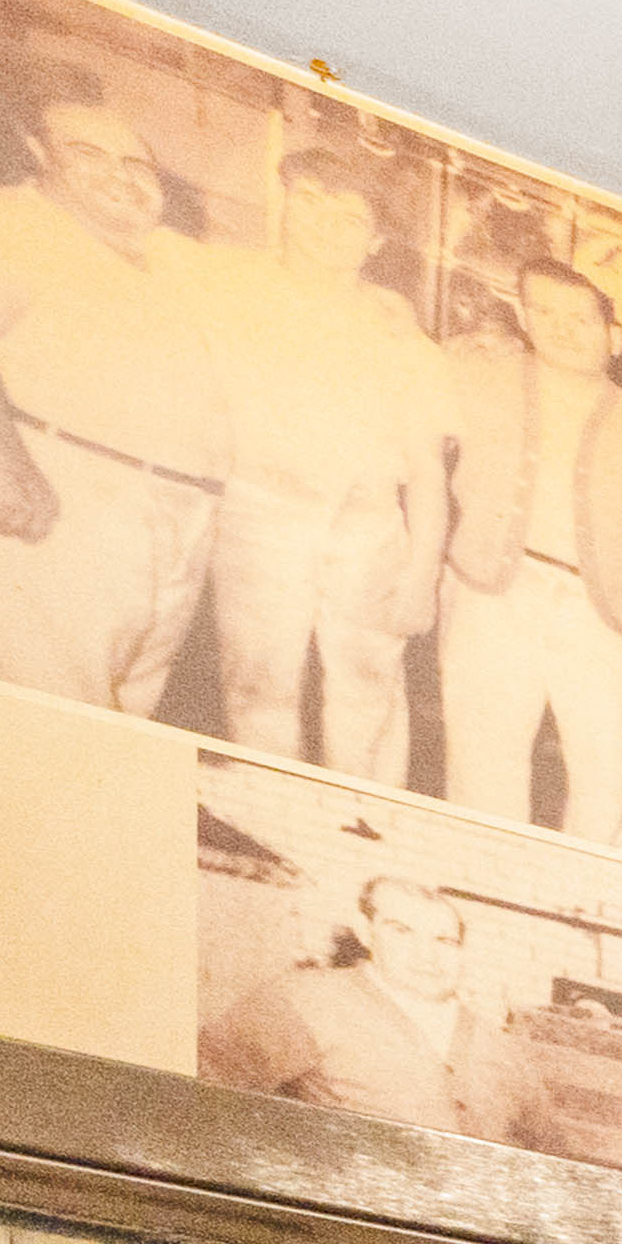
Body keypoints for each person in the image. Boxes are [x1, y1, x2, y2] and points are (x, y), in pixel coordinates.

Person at [0, 74, 235, 721]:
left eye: (136, 162)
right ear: (37, 151)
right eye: (87, 153)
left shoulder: (172, 260)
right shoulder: (0, 218)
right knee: (44, 720)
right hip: (65, 497)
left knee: (115, 726)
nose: (121, 176)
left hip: (179, 517)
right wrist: (4, 463)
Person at [200, 153, 451, 786]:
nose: (324, 223)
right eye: (310, 199)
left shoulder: (401, 335)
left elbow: (425, 469)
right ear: (284, 201)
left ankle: (366, 822)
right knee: (259, 685)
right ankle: (270, 812)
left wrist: (421, 576)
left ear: (374, 241)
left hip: (368, 530)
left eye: (349, 216)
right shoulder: (224, 287)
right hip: (259, 516)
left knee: (368, 689)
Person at [429, 240, 622, 842]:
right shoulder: (474, 369)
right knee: (482, 773)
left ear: (614, 335)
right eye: (544, 313)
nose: (560, 328)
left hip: (606, 621)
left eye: (579, 317)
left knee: (608, 785)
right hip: (491, 595)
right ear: (522, 319)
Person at [201, 870, 484, 1133]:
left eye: (444, 941)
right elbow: (202, 1093)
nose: (427, 956)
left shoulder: (498, 1041)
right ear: (365, 931)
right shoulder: (303, 999)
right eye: (401, 931)